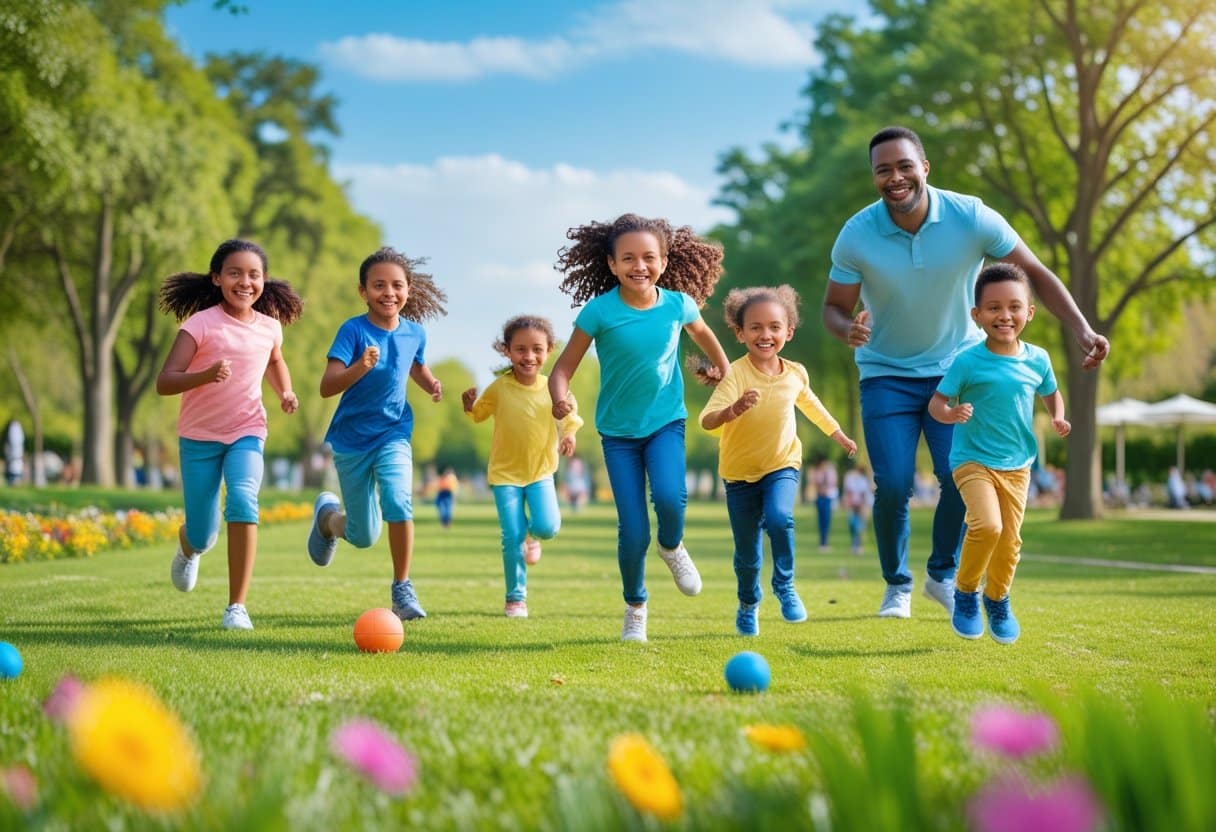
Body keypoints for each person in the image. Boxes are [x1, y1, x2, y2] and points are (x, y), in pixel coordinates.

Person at [822, 125, 1109, 619]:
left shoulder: (970, 216)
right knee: (891, 483)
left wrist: (1082, 329)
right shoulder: (857, 234)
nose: (895, 177)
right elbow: (832, 307)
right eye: (883, 170)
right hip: (885, 373)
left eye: (904, 165)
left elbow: (1036, 273)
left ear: (924, 168)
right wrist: (846, 328)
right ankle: (897, 584)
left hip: (958, 370)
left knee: (960, 478)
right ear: (874, 177)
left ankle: (941, 572)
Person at [548, 213, 731, 643]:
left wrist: (721, 367)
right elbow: (563, 369)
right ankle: (635, 606)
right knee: (632, 530)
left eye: (649, 257)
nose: (639, 266)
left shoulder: (677, 304)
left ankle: (672, 546)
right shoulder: (599, 312)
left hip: (666, 421)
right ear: (611, 264)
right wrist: (559, 397)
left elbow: (703, 333)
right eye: (628, 258)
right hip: (617, 433)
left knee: (670, 498)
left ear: (664, 262)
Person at [156, 239, 302, 630]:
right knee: (204, 533)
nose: (245, 281)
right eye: (234, 273)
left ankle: (236, 606)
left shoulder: (270, 327)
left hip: (247, 429)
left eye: (254, 274)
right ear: (217, 278)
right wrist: (205, 375)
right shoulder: (200, 324)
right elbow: (165, 382)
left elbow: (274, 361)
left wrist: (284, 391)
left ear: (264, 281)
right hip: (199, 436)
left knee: (242, 498)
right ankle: (190, 546)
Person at [699, 285, 857, 636]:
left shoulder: (796, 373)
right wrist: (733, 409)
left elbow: (812, 406)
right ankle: (747, 603)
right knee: (747, 555)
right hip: (738, 474)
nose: (765, 334)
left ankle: (784, 586)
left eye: (774, 327)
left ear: (788, 331)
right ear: (740, 334)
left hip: (782, 463)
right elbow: (706, 419)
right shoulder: (736, 374)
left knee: (780, 517)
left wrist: (838, 434)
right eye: (755, 327)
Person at [928, 263, 1070, 644]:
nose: (1004, 315)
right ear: (977, 315)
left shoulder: (1037, 359)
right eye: (993, 308)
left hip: (1017, 465)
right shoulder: (968, 361)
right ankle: (966, 593)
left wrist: (1057, 416)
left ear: (1029, 312)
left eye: (1013, 307)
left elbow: (1051, 391)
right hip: (971, 460)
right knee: (987, 526)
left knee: (1009, 541)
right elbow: (936, 404)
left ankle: (997, 598)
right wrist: (951, 413)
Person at [306, 247, 447, 621]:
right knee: (363, 534)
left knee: (399, 501)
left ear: (409, 289)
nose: (389, 292)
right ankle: (327, 520)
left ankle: (402, 587)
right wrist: (360, 367)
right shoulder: (353, 331)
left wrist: (431, 383)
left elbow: (413, 365)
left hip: (394, 431)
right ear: (363, 291)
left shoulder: (414, 332)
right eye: (379, 285)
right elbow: (327, 386)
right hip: (352, 439)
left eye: (396, 285)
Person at [462, 315, 584, 618]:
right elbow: (479, 414)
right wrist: (469, 406)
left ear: (549, 350)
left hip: (540, 472)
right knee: (511, 536)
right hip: (505, 475)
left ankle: (533, 537)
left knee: (547, 526)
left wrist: (569, 435)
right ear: (507, 351)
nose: (528, 356)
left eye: (536, 349)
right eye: (520, 349)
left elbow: (570, 417)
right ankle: (515, 597)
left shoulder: (554, 386)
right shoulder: (499, 388)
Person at [842, 463, 874, 555]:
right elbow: (848, 491)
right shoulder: (850, 479)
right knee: (852, 524)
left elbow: (864, 494)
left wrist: (863, 506)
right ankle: (854, 544)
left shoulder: (863, 480)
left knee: (858, 526)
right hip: (852, 505)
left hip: (861, 506)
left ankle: (859, 545)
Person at [812, 456, 839, 551]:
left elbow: (833, 483)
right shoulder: (817, 472)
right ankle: (822, 542)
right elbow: (816, 483)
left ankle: (825, 542)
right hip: (820, 498)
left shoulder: (831, 473)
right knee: (821, 521)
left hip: (828, 498)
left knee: (827, 520)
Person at [3, 419, 24, 486]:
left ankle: (13, 482)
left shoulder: (15, 429)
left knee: (15, 470)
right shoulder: (15, 429)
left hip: (15, 457)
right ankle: (12, 482)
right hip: (13, 457)